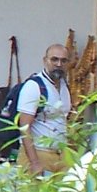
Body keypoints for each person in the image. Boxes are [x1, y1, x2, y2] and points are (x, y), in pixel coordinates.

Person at [17, 41, 73, 175]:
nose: (59, 64)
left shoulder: (65, 86)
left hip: (61, 154)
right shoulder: (34, 86)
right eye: (54, 59)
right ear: (45, 60)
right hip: (39, 153)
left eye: (63, 61)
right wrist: (34, 163)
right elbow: (24, 128)